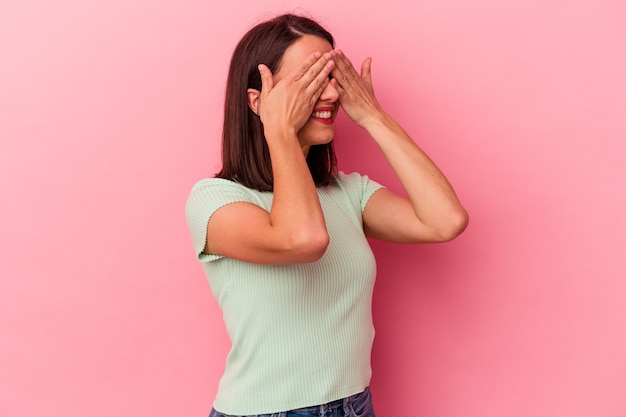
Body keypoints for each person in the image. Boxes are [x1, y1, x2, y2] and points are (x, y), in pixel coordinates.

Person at [186, 13, 468, 417]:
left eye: (332, 76)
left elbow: (445, 221)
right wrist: (279, 129)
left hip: (355, 405)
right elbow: (303, 240)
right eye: (309, 79)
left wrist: (373, 116)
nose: (332, 94)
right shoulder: (214, 200)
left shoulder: (347, 193)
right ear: (257, 101)